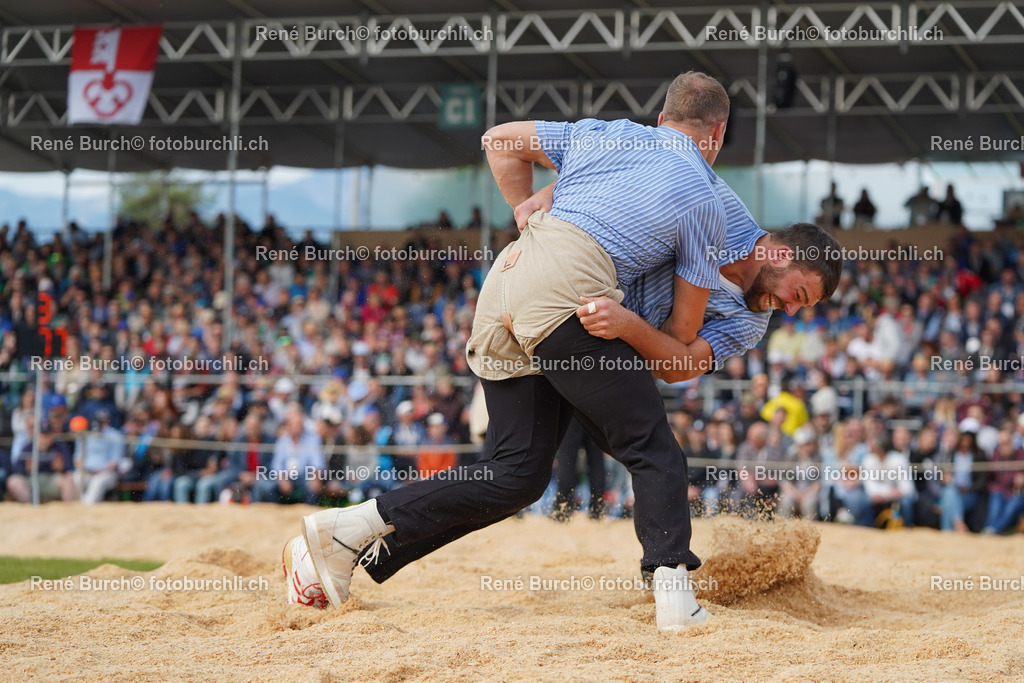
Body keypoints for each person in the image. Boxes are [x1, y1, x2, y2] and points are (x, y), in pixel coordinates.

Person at [295, 72, 841, 630]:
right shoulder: (705, 191)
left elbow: (680, 364)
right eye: (798, 293)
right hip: (569, 295)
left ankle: (352, 533)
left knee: (517, 475)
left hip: (520, 291)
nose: (790, 309)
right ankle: (674, 593)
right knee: (654, 450)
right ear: (778, 250)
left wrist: (540, 215)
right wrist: (543, 215)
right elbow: (677, 340)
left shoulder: (629, 148)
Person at [552, 418, 607, 521]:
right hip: (594, 413)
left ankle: (563, 510)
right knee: (596, 461)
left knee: (566, 460)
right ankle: (597, 510)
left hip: (572, 412)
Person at [75, 409, 125, 504]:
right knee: (76, 478)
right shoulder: (85, 434)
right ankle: (78, 505)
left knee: (97, 482)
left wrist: (99, 471)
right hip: (86, 471)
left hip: (106, 473)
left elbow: (114, 463)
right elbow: (77, 458)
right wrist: (85, 469)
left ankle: (87, 506)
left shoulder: (115, 436)